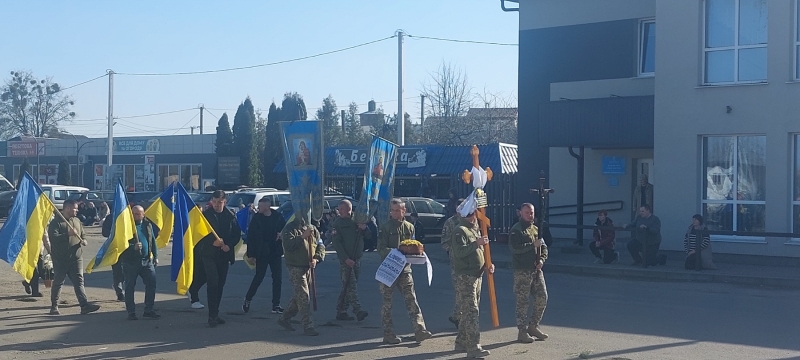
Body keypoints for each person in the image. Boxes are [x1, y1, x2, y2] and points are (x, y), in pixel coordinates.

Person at [377, 198, 432, 345]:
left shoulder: (409, 227)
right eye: (393, 210)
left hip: (405, 270)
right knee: (387, 304)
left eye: (398, 210)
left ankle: (420, 330)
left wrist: (416, 253)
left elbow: (413, 244)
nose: (395, 213)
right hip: (389, 269)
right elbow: (381, 249)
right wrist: (397, 252)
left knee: (412, 300)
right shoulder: (385, 227)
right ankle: (388, 334)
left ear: (404, 211)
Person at [451, 203, 495, 358]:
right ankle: (473, 347)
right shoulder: (460, 231)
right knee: (471, 312)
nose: (474, 216)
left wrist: (488, 264)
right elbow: (459, 252)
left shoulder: (474, 229)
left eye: (474, 213)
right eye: (471, 214)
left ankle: (461, 342)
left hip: (477, 274)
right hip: (466, 276)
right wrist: (477, 243)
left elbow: (481, 251)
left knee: (468, 311)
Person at [47, 199, 100, 315]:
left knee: (79, 282)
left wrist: (84, 240)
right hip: (61, 259)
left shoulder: (76, 220)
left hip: (76, 258)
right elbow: (53, 238)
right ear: (67, 208)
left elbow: (82, 234)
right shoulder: (56, 222)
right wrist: (68, 234)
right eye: (75, 209)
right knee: (58, 282)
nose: (77, 210)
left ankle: (84, 305)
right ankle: (54, 306)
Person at [196, 190, 240, 327]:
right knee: (213, 283)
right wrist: (211, 242)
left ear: (224, 202)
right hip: (209, 255)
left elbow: (236, 234)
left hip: (224, 255)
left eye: (219, 202)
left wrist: (229, 245)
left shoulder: (230, 216)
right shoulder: (206, 216)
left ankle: (216, 313)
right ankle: (211, 316)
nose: (216, 204)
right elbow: (199, 236)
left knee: (220, 284)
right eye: (214, 202)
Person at [277, 218, 325, 336]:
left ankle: (285, 318)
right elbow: (288, 245)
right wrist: (302, 236)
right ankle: (308, 326)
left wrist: (316, 258)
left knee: (299, 296)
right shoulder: (289, 228)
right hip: (295, 267)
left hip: (308, 267)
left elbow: (320, 245)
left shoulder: (313, 228)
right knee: (304, 296)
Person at [509, 203, 549, 344]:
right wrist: (532, 246)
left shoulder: (535, 229)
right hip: (522, 270)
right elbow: (515, 249)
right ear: (520, 213)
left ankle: (533, 326)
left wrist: (542, 260)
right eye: (527, 212)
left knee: (542, 297)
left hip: (536, 270)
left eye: (531, 212)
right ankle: (522, 331)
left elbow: (544, 247)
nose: (530, 215)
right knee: (523, 301)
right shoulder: (516, 230)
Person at [242, 197, 287, 314]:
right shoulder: (257, 219)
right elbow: (251, 237)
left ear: (267, 207)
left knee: (277, 278)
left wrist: (281, 235)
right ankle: (248, 299)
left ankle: (276, 304)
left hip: (275, 251)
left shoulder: (277, 217)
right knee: (259, 277)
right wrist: (251, 255)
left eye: (261, 206)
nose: (258, 208)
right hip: (262, 252)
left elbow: (285, 229)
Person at [331, 200, 370, 321]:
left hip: (356, 258)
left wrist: (364, 228)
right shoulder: (338, 223)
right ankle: (358, 310)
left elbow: (369, 236)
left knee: (347, 286)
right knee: (350, 285)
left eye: (342, 209)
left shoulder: (357, 219)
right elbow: (336, 243)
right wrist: (345, 258)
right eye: (339, 209)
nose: (339, 211)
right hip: (346, 260)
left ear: (349, 209)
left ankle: (341, 310)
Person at [121, 205, 160, 320]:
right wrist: (132, 247)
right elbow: (120, 244)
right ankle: (131, 312)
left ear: (143, 214)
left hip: (147, 261)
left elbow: (152, 240)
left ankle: (149, 310)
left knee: (151, 284)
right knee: (130, 287)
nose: (137, 216)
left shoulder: (147, 225)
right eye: (135, 214)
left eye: (139, 214)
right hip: (131, 262)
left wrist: (155, 256)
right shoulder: (127, 226)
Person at [440, 212, 463, 328]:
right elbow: (444, 242)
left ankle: (457, 316)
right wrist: (453, 251)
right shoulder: (450, 222)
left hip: (470, 262)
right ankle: (458, 316)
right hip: (457, 262)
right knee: (460, 290)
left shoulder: (471, 221)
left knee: (467, 292)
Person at [103, 214, 126, 301]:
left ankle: (119, 285)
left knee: (127, 271)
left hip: (127, 247)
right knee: (117, 271)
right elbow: (104, 232)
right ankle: (119, 291)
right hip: (114, 247)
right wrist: (115, 232)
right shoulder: (110, 217)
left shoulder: (129, 216)